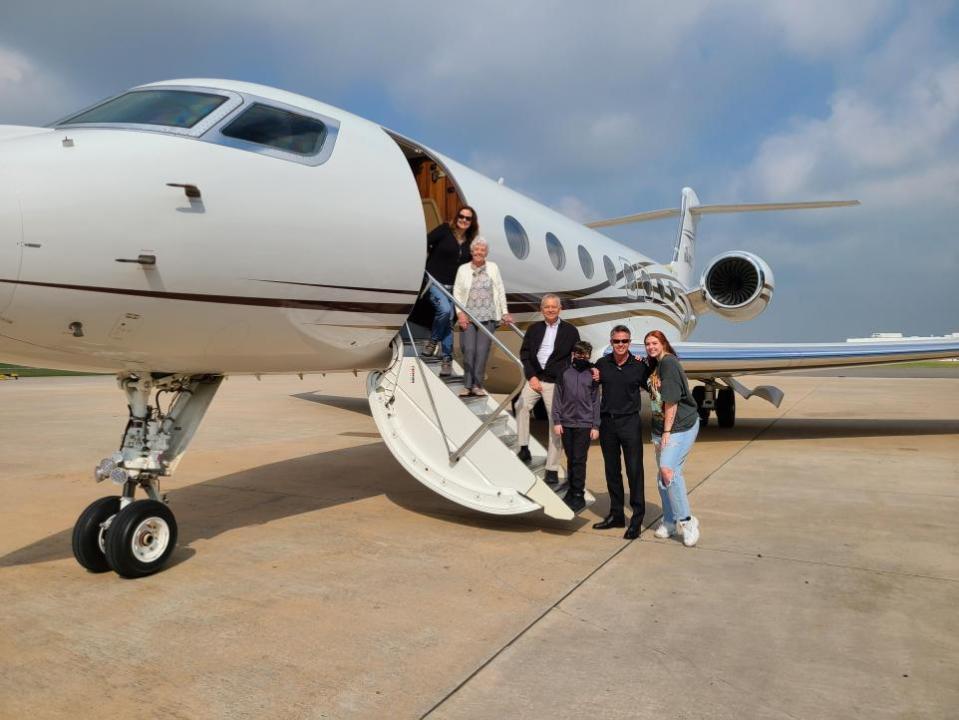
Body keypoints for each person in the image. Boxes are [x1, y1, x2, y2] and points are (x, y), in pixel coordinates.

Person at [592, 325, 651, 540]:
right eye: (616, 341)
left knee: (634, 471)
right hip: (608, 423)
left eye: (624, 341)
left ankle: (636, 519)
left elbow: (655, 387)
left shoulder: (638, 366)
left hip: (630, 423)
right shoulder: (601, 364)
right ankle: (616, 514)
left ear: (629, 342)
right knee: (612, 471)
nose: (620, 345)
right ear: (611, 342)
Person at [645, 329, 701, 547]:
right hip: (661, 428)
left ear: (663, 343)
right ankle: (669, 521)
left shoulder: (668, 363)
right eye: (648, 343)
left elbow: (672, 402)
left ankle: (687, 521)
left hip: (679, 426)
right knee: (662, 476)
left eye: (654, 343)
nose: (651, 347)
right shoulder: (656, 364)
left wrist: (667, 431)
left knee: (669, 471)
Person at [516, 294, 580, 485]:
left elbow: (575, 357)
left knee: (555, 425)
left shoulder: (570, 331)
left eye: (554, 307)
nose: (550, 310)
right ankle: (524, 446)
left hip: (555, 384)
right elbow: (525, 354)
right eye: (546, 307)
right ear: (541, 309)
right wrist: (532, 376)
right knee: (521, 406)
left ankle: (551, 468)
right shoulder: (534, 329)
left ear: (560, 309)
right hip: (535, 379)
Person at [453, 238, 513, 396]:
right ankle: (467, 384)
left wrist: (504, 312)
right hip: (469, 317)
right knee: (469, 349)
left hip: (489, 316)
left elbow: (500, 290)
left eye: (482, 250)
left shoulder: (493, 267)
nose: (479, 252)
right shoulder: (463, 269)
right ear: (472, 252)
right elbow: (457, 293)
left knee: (481, 351)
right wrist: (460, 314)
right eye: (476, 250)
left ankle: (477, 385)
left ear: (486, 252)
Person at [424, 206, 477, 376]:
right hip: (434, 282)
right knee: (445, 311)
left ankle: (446, 359)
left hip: (455, 288)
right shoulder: (444, 230)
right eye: (461, 216)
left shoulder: (470, 242)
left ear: (471, 222)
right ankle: (433, 342)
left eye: (468, 218)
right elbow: (425, 241)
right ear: (457, 217)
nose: (463, 220)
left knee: (448, 323)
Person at [551, 341, 600, 513]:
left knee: (580, 460)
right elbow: (557, 398)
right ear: (573, 354)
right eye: (578, 354)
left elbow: (595, 401)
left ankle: (578, 495)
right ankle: (571, 491)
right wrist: (557, 421)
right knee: (571, 459)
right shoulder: (564, 373)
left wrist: (595, 425)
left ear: (589, 356)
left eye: (585, 355)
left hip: (585, 424)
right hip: (566, 423)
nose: (581, 357)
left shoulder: (592, 375)